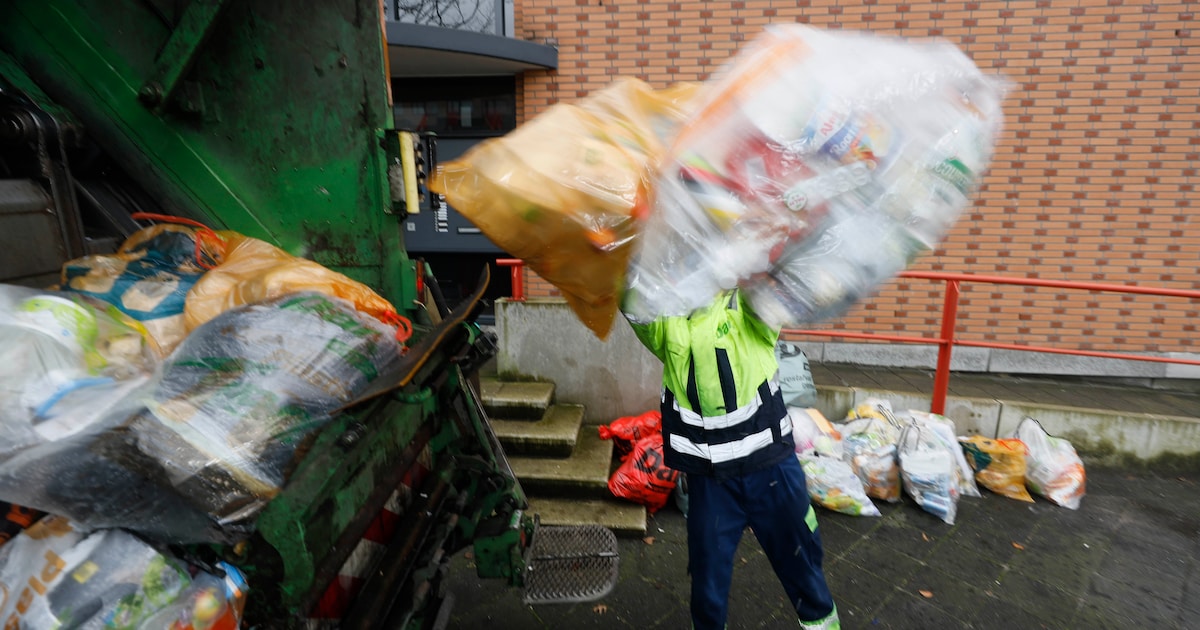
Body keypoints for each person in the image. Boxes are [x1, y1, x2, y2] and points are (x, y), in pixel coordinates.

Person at [622, 288, 839, 630]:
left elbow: (768, 295)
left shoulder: (745, 297)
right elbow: (637, 308)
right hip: (711, 484)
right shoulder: (670, 318)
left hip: (771, 469)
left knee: (802, 569)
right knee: (707, 584)